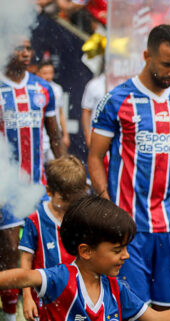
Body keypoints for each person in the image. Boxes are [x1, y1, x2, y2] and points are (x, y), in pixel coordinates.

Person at [88, 24, 170, 310]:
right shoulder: (117, 100)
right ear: (146, 56)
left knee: (168, 307)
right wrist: (105, 205)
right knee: (132, 309)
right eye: (166, 65)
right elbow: (94, 156)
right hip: (128, 227)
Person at [0, 195, 170, 321]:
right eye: (117, 250)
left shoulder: (117, 291)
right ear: (86, 251)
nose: (126, 256)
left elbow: (156, 319)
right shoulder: (61, 278)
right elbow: (23, 276)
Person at [0, 38, 65, 321]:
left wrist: (64, 172)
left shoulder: (42, 88)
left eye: (28, 48)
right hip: (6, 187)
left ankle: (42, 309)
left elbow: (55, 135)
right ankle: (9, 311)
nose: (26, 53)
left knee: (42, 249)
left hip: (39, 186)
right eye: (19, 47)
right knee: (10, 251)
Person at [18, 155, 88, 320]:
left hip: (77, 296)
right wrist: (27, 297)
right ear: (49, 191)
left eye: (74, 200)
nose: (69, 205)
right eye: (65, 199)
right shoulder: (35, 219)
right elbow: (26, 261)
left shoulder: (83, 216)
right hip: (44, 300)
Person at [37, 60, 71, 160]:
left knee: (57, 166)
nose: (48, 76)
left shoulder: (57, 88)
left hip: (54, 134)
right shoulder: (34, 89)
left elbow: (60, 113)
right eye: (44, 73)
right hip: (40, 135)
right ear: (38, 73)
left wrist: (65, 135)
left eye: (50, 73)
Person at [81, 63, 105, 148]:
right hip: (97, 134)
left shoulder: (125, 85)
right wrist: (88, 136)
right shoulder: (94, 84)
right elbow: (86, 111)